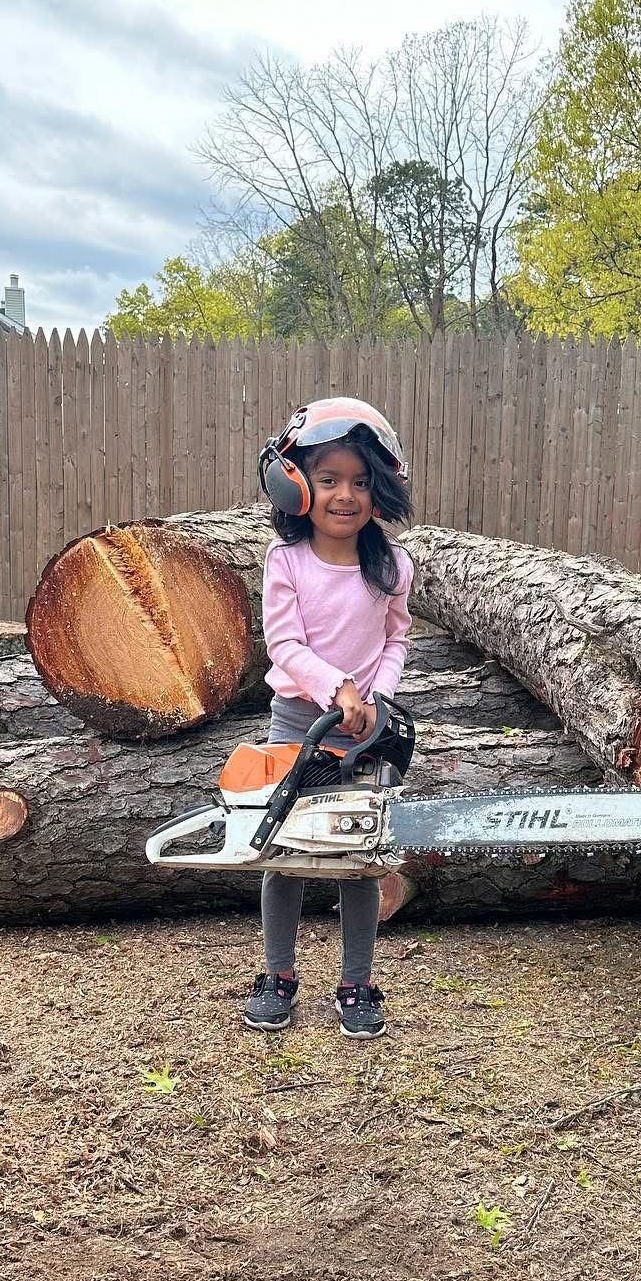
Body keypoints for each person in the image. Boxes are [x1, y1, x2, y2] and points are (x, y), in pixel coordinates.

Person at [246, 397, 414, 1040]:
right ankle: (279, 974)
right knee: (285, 854)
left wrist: (377, 698)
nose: (346, 494)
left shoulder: (394, 565)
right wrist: (335, 689)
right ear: (296, 485)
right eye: (329, 479)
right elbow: (284, 644)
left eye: (361, 481)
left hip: (367, 725)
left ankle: (356, 979)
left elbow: (396, 640)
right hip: (297, 720)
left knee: (358, 856)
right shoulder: (285, 560)